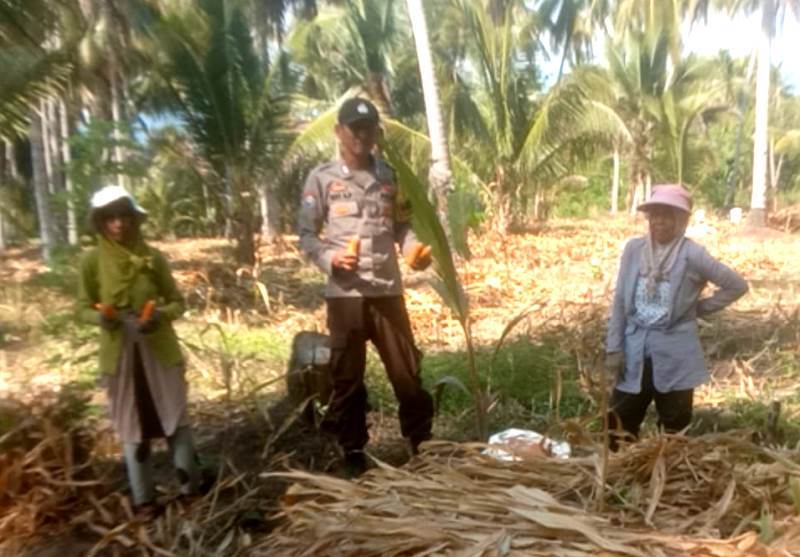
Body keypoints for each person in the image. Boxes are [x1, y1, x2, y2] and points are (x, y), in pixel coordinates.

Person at [297, 97, 434, 476]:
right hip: (345, 295)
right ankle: (353, 452)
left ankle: (421, 444)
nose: (361, 135)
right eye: (354, 128)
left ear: (376, 132)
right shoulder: (322, 179)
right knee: (347, 378)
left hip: (387, 290)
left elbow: (401, 226)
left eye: (368, 128)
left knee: (407, 373)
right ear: (339, 131)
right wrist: (329, 259)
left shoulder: (389, 176)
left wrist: (412, 251)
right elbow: (307, 235)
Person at [77, 185, 200, 519]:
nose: (118, 224)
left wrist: (160, 314)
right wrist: (101, 317)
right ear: (101, 223)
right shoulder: (92, 261)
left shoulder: (152, 257)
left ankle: (190, 489)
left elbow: (178, 302)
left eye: (124, 216)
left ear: (135, 219)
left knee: (175, 415)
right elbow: (81, 307)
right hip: (120, 352)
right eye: (110, 218)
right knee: (132, 424)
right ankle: (144, 499)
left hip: (158, 346)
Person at [605, 184, 748, 447]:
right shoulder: (634, 250)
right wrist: (614, 348)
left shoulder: (692, 254)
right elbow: (620, 302)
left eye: (667, 215)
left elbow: (736, 285)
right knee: (619, 422)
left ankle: (666, 481)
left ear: (681, 220)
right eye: (654, 214)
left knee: (674, 425)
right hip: (635, 348)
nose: (659, 221)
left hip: (676, 351)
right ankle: (620, 478)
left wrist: (697, 308)